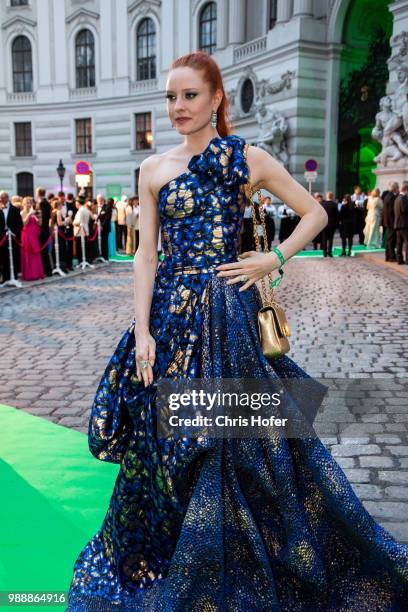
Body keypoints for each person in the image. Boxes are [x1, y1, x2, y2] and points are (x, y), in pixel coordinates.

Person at [67, 51, 408, 611]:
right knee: (165, 439)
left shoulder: (246, 158)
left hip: (228, 320)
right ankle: (174, 553)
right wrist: (143, 330)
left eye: (189, 96)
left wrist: (272, 258)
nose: (178, 107)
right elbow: (145, 256)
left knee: (231, 443)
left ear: (216, 99)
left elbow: (314, 214)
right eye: (171, 97)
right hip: (170, 323)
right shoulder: (153, 169)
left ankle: (229, 559)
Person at [0, 191, 23, 282]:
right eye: (0, 198)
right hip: (2, 237)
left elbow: (19, 224)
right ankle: (5, 277)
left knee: (13, 256)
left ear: (7, 198)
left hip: (13, 237)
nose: (0, 200)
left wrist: (15, 234)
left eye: (2, 198)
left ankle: (14, 275)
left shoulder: (15, 209)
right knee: (3, 257)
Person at [20, 196, 44, 281]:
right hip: (26, 235)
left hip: (34, 236)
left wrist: (39, 216)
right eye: (27, 203)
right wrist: (29, 214)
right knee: (28, 254)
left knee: (35, 254)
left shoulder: (34, 212)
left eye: (30, 203)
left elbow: (40, 224)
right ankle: (29, 275)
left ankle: (37, 273)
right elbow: (24, 224)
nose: (29, 204)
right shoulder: (22, 212)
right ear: (24, 204)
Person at [35, 187, 52, 276]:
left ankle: (47, 271)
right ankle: (46, 270)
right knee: (44, 251)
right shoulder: (46, 202)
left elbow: (42, 217)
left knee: (43, 251)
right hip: (44, 228)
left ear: (38, 193)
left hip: (42, 229)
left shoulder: (42, 203)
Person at [382, 181, 399, 261]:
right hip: (391, 222)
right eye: (397, 187)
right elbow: (391, 211)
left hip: (387, 221)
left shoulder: (387, 195)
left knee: (389, 239)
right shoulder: (392, 197)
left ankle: (388, 255)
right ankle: (391, 256)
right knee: (391, 240)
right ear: (394, 188)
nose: (397, 189)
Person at [73, 195, 91, 264]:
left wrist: (73, 223)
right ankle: (85, 260)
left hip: (80, 231)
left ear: (78, 203)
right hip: (85, 229)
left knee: (80, 248)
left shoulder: (80, 210)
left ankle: (81, 261)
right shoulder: (86, 209)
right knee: (84, 247)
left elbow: (78, 222)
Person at [394, 181, 408, 264]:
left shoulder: (397, 198)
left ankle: (399, 259)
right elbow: (404, 209)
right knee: (406, 242)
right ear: (406, 190)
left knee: (399, 243)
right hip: (404, 224)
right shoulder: (403, 198)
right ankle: (407, 260)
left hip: (398, 224)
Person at [321, 191, 338, 257]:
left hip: (324, 223)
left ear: (327, 196)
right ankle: (329, 252)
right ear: (332, 197)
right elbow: (337, 215)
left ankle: (324, 253)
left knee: (324, 238)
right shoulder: (334, 204)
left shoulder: (323, 204)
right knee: (331, 239)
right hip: (332, 223)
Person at [96, 194, 112, 261]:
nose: (99, 200)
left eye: (101, 199)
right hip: (96, 229)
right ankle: (98, 256)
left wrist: (102, 226)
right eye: (98, 199)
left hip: (105, 228)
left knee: (104, 242)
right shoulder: (95, 207)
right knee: (97, 242)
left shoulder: (107, 207)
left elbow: (107, 218)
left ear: (103, 199)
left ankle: (105, 257)